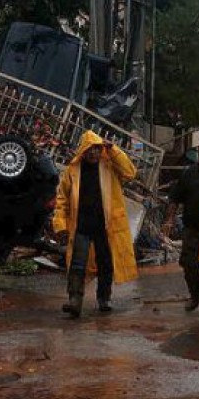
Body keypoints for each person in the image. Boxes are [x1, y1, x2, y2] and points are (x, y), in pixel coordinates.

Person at [53, 130, 138, 317]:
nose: (94, 153)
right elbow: (62, 200)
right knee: (77, 265)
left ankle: (104, 298)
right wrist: (60, 225)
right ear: (83, 150)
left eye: (97, 149)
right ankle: (75, 301)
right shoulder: (72, 171)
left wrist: (113, 150)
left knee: (105, 264)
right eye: (90, 149)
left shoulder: (109, 166)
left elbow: (130, 173)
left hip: (105, 227)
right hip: (81, 226)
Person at [161, 140, 199, 317]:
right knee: (189, 265)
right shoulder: (189, 174)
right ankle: (195, 295)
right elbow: (174, 198)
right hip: (192, 229)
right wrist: (169, 220)